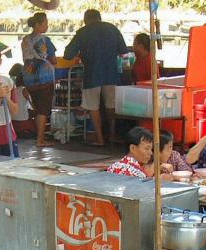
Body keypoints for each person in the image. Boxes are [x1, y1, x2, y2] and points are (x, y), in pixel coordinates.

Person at [63, 9, 128, 146]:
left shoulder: (83, 32)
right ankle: (112, 134)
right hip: (112, 73)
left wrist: (80, 54)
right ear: (100, 17)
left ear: (86, 20)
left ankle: (99, 138)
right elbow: (124, 51)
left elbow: (68, 54)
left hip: (92, 74)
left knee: (93, 107)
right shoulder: (112, 29)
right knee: (111, 106)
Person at [21, 12, 57, 147]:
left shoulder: (25, 39)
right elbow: (53, 59)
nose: (47, 26)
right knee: (43, 109)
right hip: (44, 76)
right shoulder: (45, 40)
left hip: (29, 75)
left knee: (37, 107)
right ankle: (40, 140)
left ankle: (39, 137)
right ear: (37, 24)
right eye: (45, 23)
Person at [9, 64, 35, 138]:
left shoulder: (13, 90)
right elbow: (32, 105)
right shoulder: (25, 90)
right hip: (23, 121)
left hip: (13, 120)